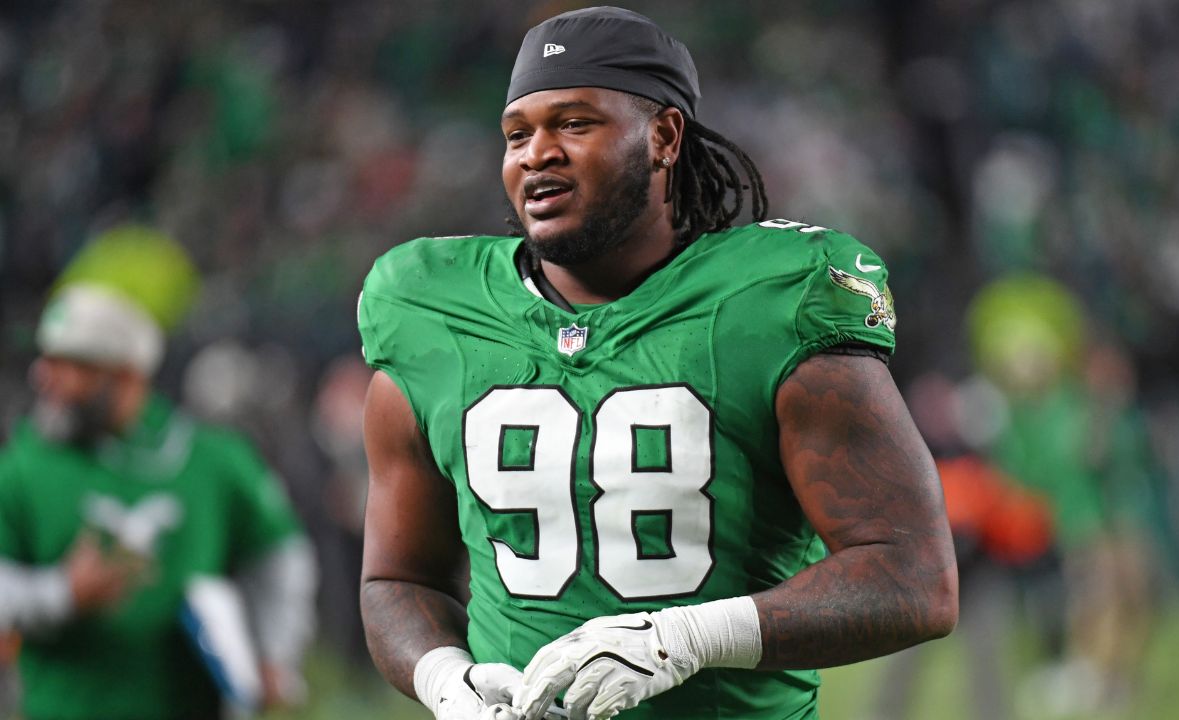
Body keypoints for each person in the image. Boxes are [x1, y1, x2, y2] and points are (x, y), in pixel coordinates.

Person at [357, 7, 957, 720]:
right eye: (517, 134)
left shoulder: (771, 300)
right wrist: (443, 678)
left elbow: (913, 578)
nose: (536, 153)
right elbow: (397, 580)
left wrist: (688, 639)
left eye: (574, 124)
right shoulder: (429, 307)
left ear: (665, 137)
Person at [0, 282, 317, 720]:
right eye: (47, 360)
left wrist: (273, 650)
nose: (44, 378)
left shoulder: (210, 458)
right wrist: (62, 593)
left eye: (70, 364)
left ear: (126, 376)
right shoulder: (23, 466)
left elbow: (279, 552)